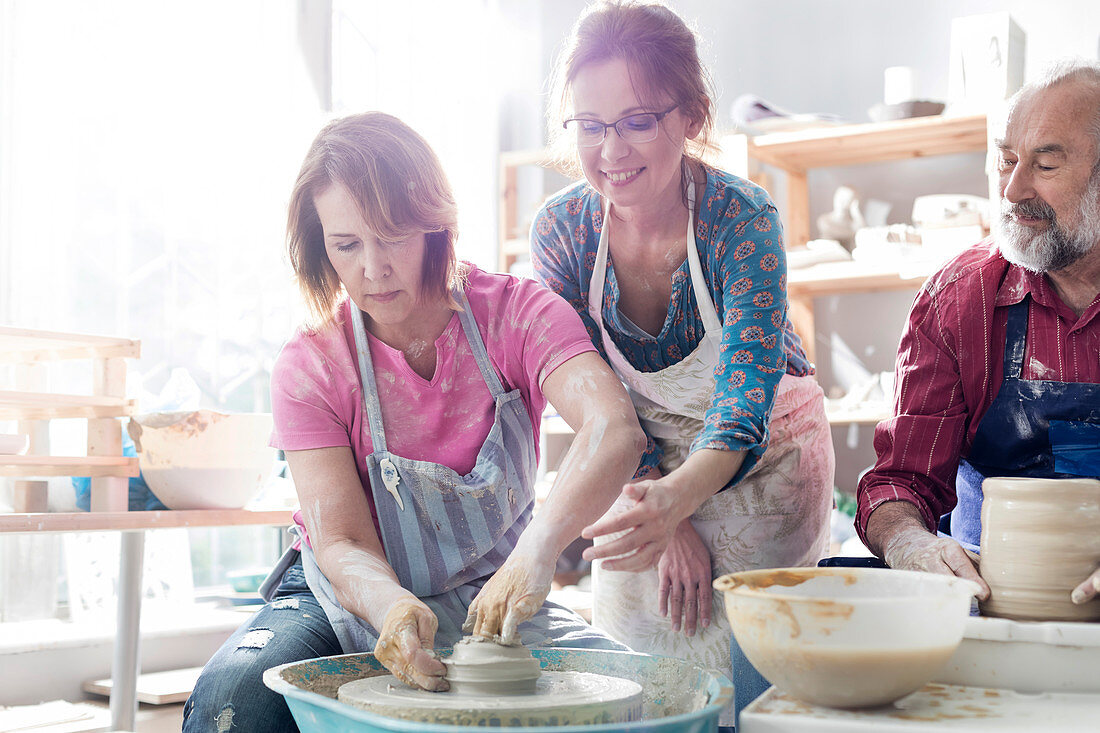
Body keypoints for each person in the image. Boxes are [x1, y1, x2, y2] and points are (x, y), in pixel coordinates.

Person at [183, 112, 646, 732]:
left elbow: (612, 429)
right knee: (234, 699)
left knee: (645, 696)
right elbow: (341, 539)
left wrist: (536, 556)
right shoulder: (314, 362)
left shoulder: (517, 314)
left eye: (393, 236)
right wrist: (390, 605)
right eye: (346, 245)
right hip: (345, 590)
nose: (372, 269)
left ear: (435, 225)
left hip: (494, 587)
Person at [529, 1, 834, 725]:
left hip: (764, 461)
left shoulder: (740, 218)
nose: (611, 151)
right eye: (591, 126)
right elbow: (592, 400)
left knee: (751, 693)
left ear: (691, 115)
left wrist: (682, 501)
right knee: (633, 688)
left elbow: (741, 402)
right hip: (639, 465)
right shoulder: (564, 233)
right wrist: (654, 501)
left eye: (637, 121)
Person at [857, 59, 1100, 607]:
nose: (1013, 190)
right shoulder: (959, 300)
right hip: (992, 599)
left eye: (1046, 164)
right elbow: (901, 483)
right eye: (1007, 160)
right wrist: (908, 541)